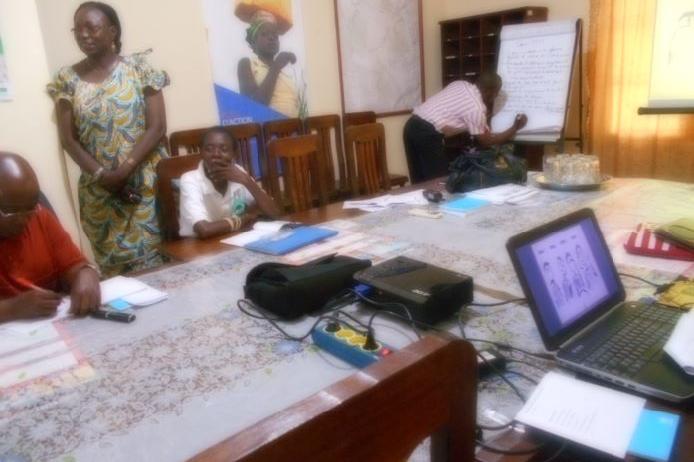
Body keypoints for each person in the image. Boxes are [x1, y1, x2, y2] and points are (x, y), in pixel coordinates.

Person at [47, 2, 169, 277]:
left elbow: (157, 127)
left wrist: (123, 172)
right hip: (99, 194)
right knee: (116, 280)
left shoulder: (139, 68)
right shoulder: (67, 79)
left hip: (143, 189)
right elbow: (69, 139)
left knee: (158, 271)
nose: (84, 35)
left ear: (112, 31)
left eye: (92, 28)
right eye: (78, 29)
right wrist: (104, 177)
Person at [0, 152, 100, 323]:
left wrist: (86, 275)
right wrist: (12, 309)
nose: (24, 219)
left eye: (30, 209)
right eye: (12, 211)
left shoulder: (41, 217)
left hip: (52, 325)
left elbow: (76, 267)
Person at [403, 71, 528, 183]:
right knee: (438, 180)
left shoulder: (460, 84)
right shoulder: (476, 108)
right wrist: (515, 128)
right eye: (496, 93)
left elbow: (450, 121)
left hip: (411, 125)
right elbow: (487, 142)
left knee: (418, 180)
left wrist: (478, 123)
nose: (496, 97)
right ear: (491, 91)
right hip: (427, 134)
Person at [178, 127, 281, 239]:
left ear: (234, 154)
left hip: (230, 238)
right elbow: (204, 229)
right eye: (209, 149)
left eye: (224, 149)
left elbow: (275, 213)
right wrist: (245, 218)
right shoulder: (190, 179)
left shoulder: (238, 172)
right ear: (201, 153)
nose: (216, 154)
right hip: (196, 245)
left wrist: (247, 181)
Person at [237, 9, 302, 118]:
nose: (272, 38)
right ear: (253, 42)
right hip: (268, 127)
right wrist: (276, 66)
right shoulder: (246, 63)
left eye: (275, 35)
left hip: (292, 127)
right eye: (264, 34)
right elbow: (252, 107)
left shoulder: (287, 76)